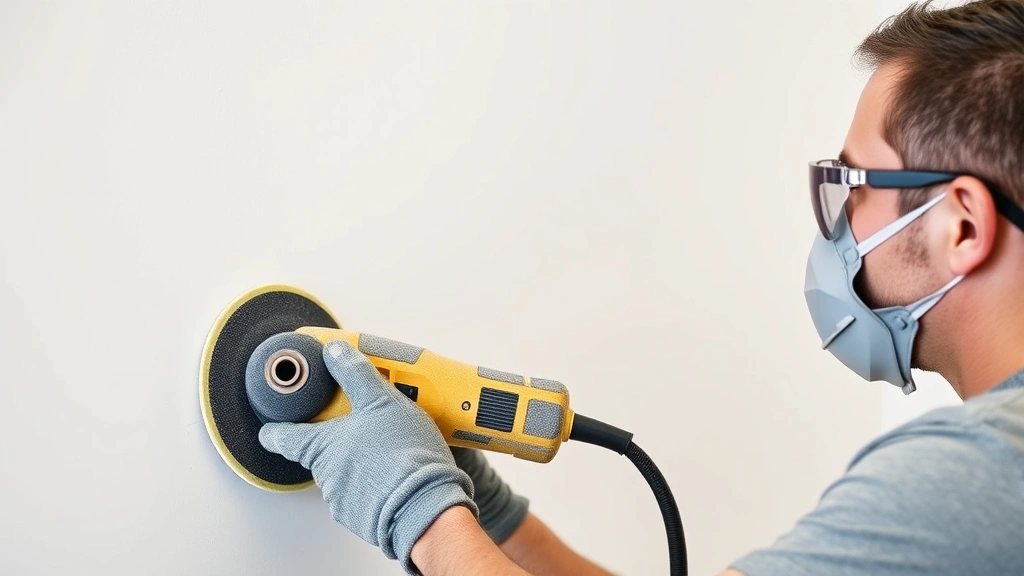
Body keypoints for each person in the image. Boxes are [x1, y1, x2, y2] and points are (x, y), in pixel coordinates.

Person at [256, 1, 1024, 574]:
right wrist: (486, 515)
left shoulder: (975, 475)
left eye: (854, 186)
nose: (838, 226)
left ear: (961, 225)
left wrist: (416, 508)